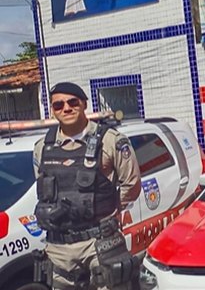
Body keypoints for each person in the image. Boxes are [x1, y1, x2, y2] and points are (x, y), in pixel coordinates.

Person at [32, 82, 142, 290]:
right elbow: (43, 188)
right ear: (53, 110)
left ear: (83, 103)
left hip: (99, 242)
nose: (66, 108)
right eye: (58, 105)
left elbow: (132, 184)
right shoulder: (42, 148)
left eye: (73, 102)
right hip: (58, 247)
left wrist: (110, 210)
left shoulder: (111, 141)